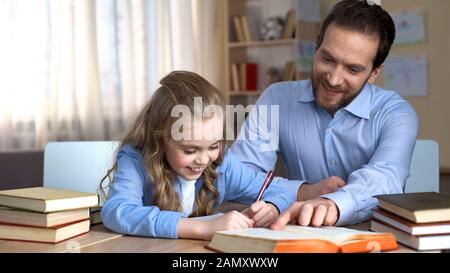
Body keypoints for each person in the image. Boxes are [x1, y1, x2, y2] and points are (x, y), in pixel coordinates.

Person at [230, 0, 419, 229]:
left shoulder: (396, 114)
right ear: (316, 47)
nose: (333, 79)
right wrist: (304, 192)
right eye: (327, 59)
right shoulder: (276, 98)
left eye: (353, 69)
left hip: (371, 237)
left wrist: (331, 204)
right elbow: (238, 176)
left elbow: (384, 180)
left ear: (373, 73)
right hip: (297, 236)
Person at [100, 71, 296, 240]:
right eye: (190, 150)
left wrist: (272, 206)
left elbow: (283, 189)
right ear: (160, 140)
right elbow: (117, 211)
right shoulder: (136, 160)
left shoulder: (222, 164)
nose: (203, 160)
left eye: (213, 145)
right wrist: (203, 228)